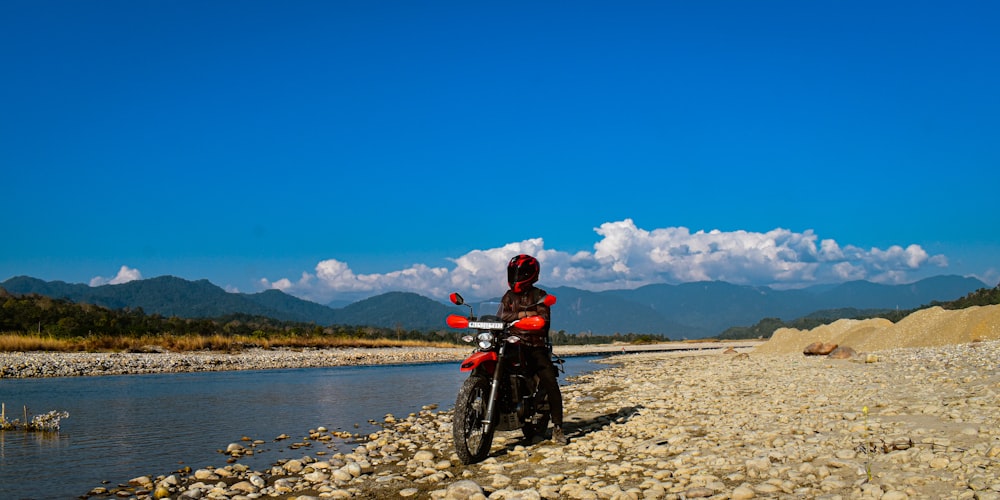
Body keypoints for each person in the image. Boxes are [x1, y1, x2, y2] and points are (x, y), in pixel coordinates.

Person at [498, 254, 567, 445]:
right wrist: (521, 314)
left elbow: (543, 321)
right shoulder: (508, 296)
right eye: (514, 272)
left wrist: (523, 318)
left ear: (531, 274)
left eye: (521, 273)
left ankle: (558, 428)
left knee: (550, 381)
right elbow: (500, 316)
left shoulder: (540, 296)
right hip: (511, 344)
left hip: (534, 346)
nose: (517, 276)